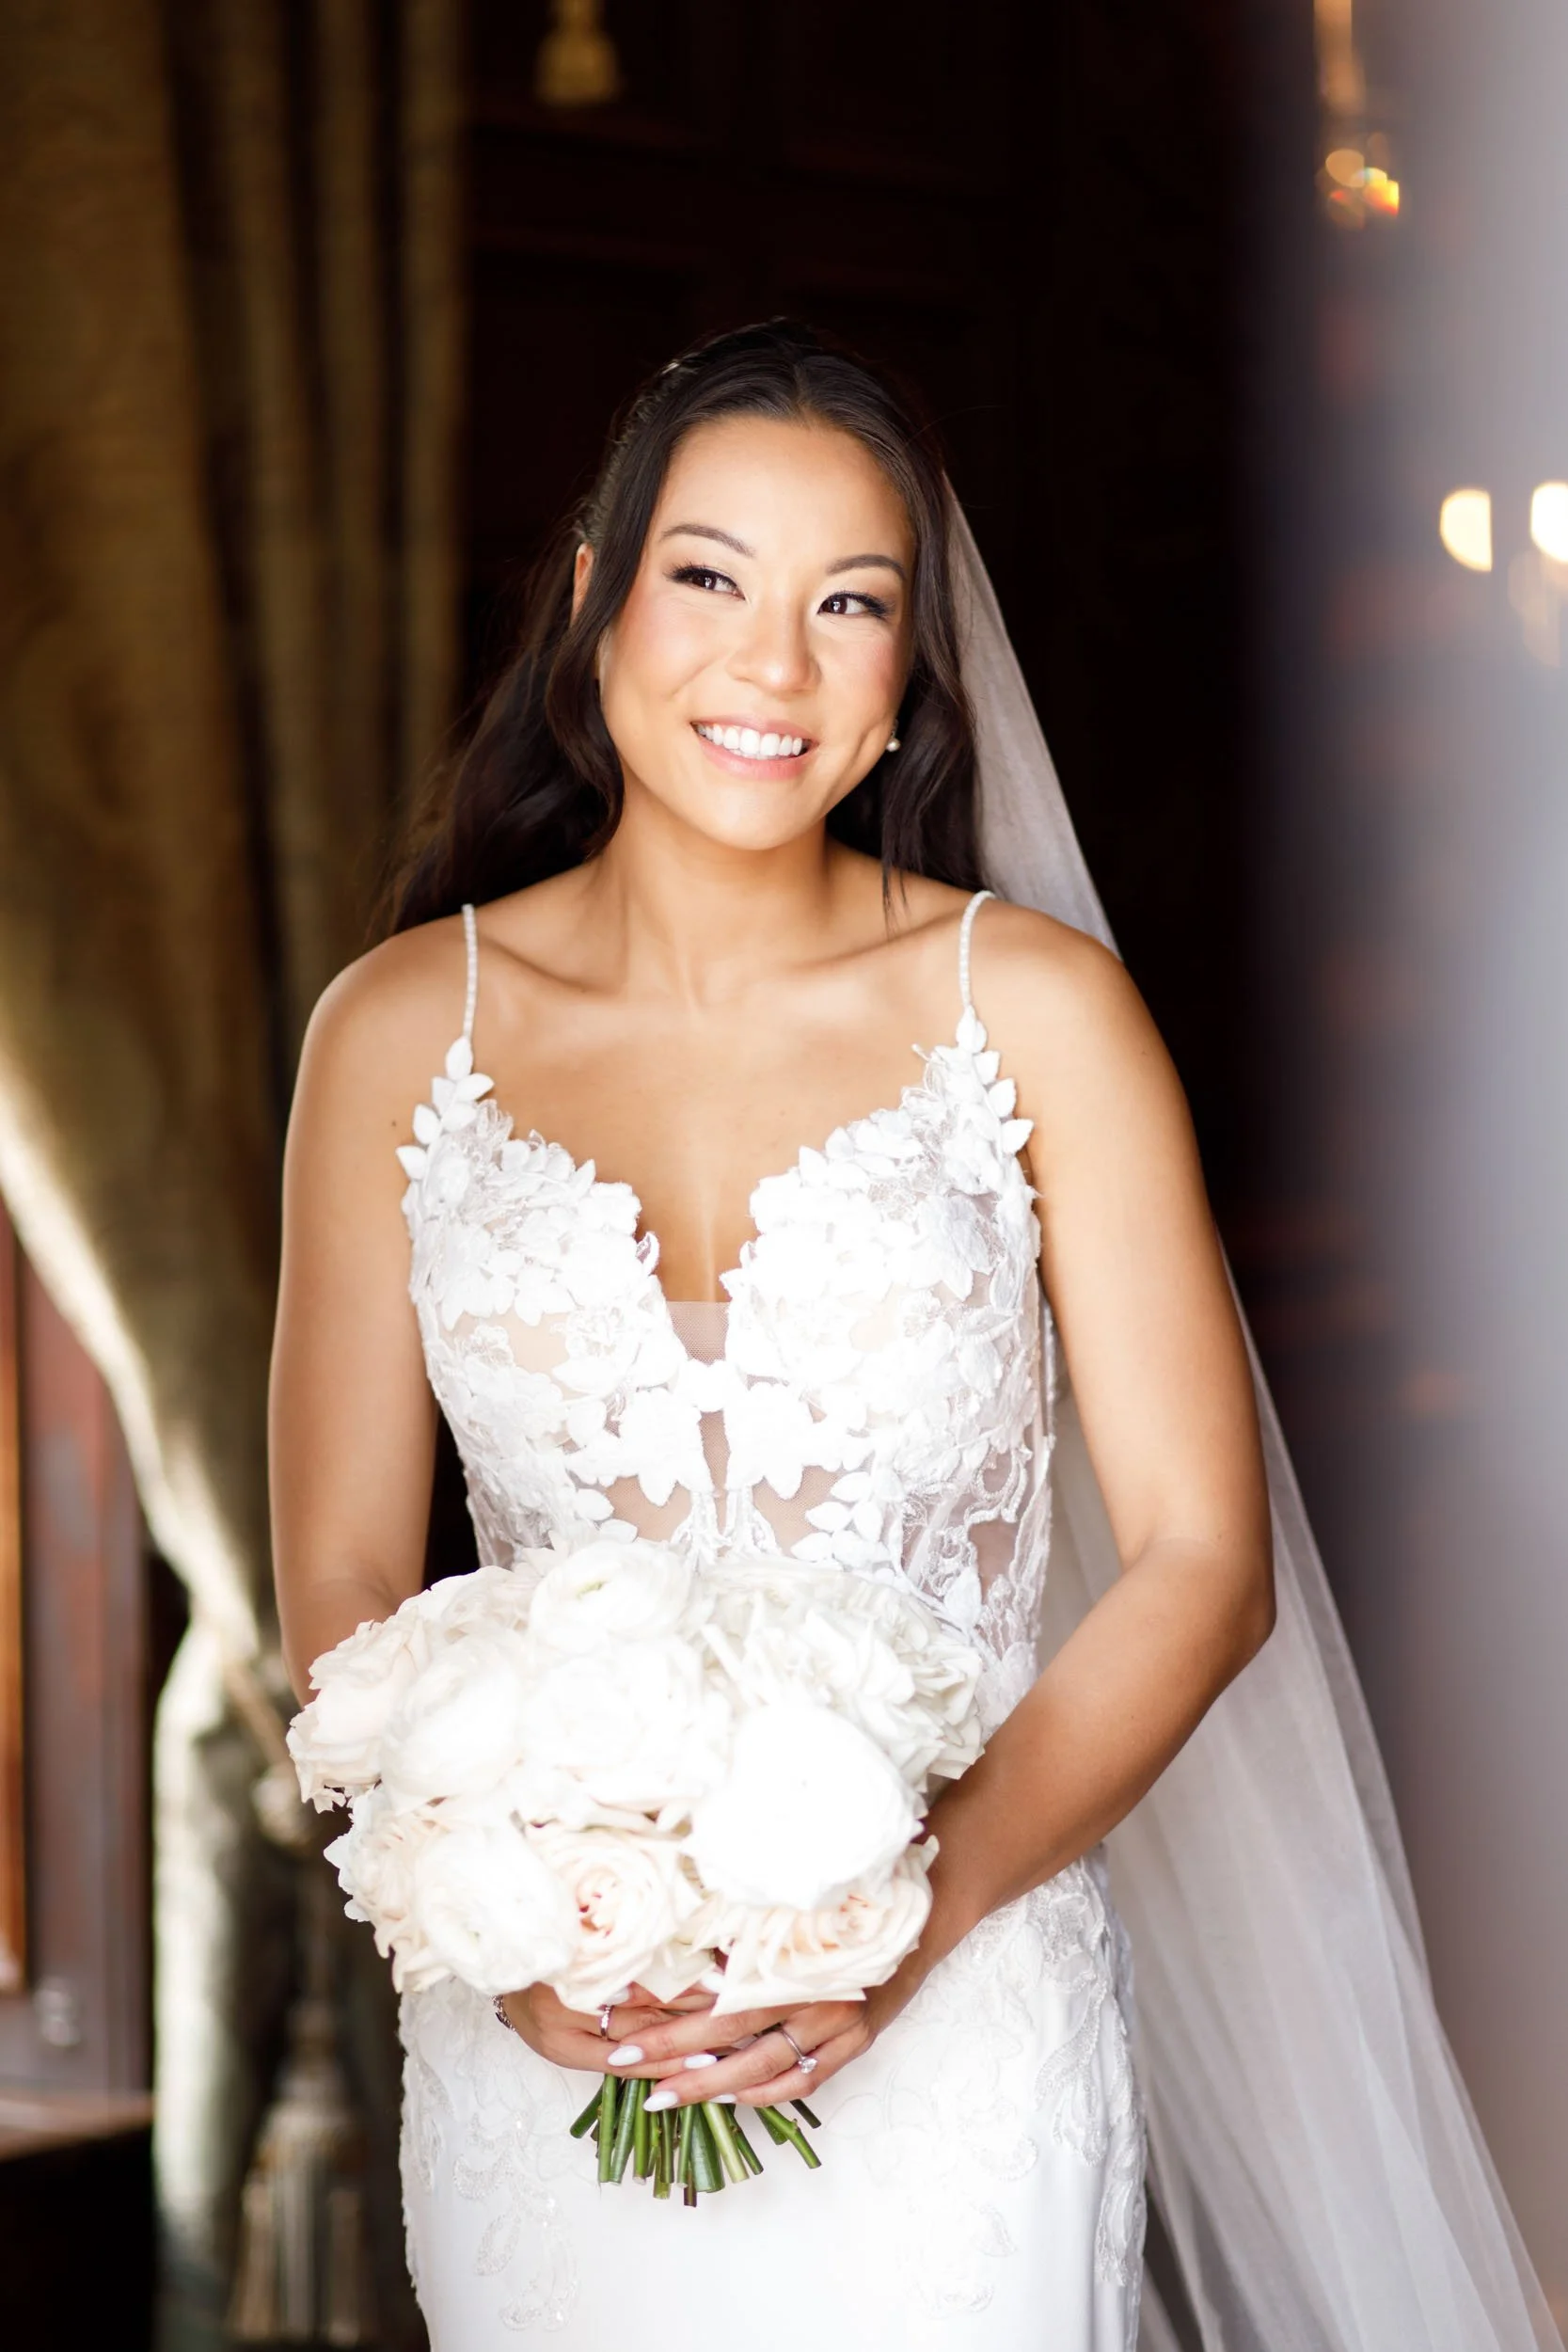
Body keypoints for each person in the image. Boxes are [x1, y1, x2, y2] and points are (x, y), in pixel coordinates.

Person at [270, 324, 1560, 2352]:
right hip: (549, 2039)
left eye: (846, 605)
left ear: (901, 690)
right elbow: (343, 1574)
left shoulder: (1032, 1015)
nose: (768, 665)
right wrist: (489, 1907)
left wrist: (907, 1916)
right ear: (594, 605)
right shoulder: (386, 1034)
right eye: (708, 577)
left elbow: (1203, 1563)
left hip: (958, 2028)